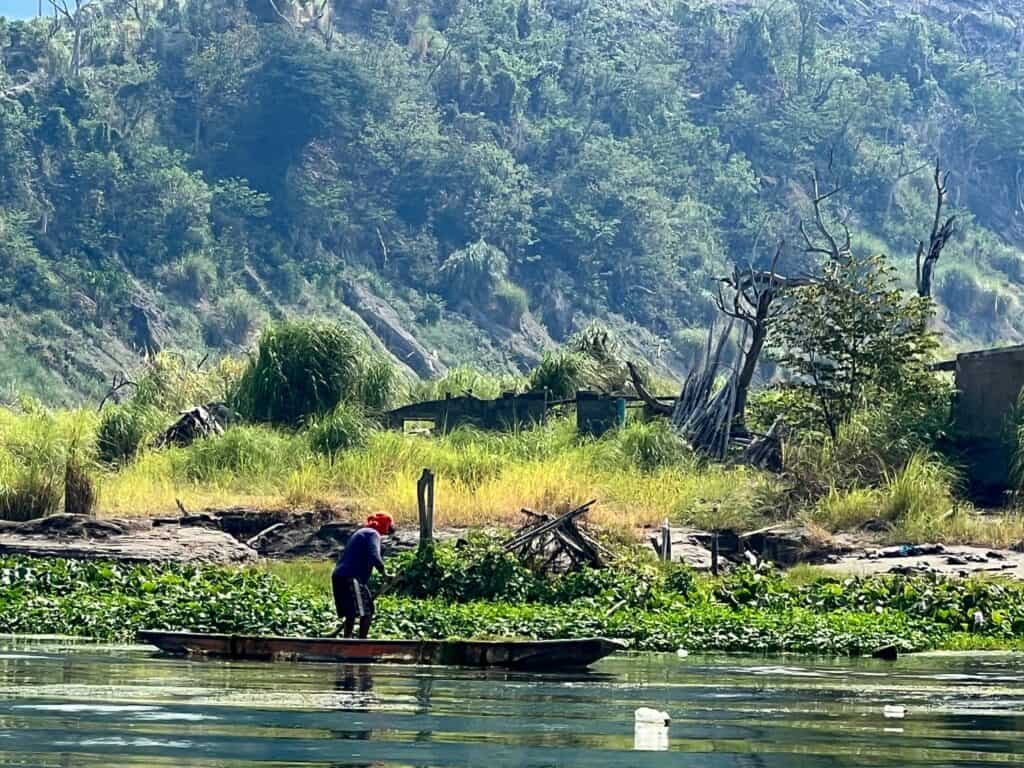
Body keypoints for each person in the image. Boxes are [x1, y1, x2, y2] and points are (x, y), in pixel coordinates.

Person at [331, 513, 394, 639]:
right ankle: (362, 643)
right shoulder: (372, 534)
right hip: (351, 577)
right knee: (367, 611)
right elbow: (374, 556)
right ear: (384, 525)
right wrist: (384, 574)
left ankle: (347, 643)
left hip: (339, 576)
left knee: (351, 613)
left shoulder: (362, 532)